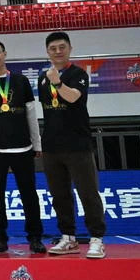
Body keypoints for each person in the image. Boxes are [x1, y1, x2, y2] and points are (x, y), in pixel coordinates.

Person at [39, 31, 105, 259]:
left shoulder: (78, 74)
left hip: (78, 145)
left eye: (62, 47)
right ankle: (68, 238)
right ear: (47, 52)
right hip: (51, 147)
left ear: (70, 49)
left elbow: (73, 97)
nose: (57, 51)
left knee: (88, 193)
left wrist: (57, 82)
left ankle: (97, 239)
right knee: (59, 196)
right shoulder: (42, 77)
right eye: (53, 48)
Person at [0, 39, 45, 254]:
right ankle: (0, 237)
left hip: (22, 148)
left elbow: (31, 114)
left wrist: (36, 143)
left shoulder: (20, 80)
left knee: (29, 194)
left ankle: (35, 237)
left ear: (5, 54)